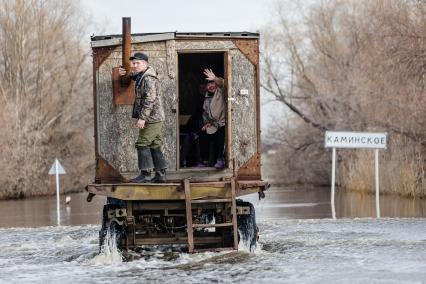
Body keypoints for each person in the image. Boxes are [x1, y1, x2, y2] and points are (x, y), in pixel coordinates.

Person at [118, 52, 167, 183]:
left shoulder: (148, 78)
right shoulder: (142, 75)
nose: (135, 66)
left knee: (142, 143)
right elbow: (135, 76)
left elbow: (149, 100)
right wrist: (126, 74)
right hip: (154, 117)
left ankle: (145, 174)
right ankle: (160, 174)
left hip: (152, 118)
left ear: (145, 63)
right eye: (133, 63)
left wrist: (142, 118)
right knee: (155, 144)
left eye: (137, 63)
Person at [198, 68, 226, 169]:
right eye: (208, 84)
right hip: (213, 124)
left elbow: (224, 83)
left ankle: (221, 159)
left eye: (212, 83)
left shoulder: (221, 91)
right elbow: (205, 114)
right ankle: (204, 160)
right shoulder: (206, 98)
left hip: (223, 123)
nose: (211, 86)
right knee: (202, 133)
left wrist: (214, 78)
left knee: (221, 134)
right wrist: (207, 123)